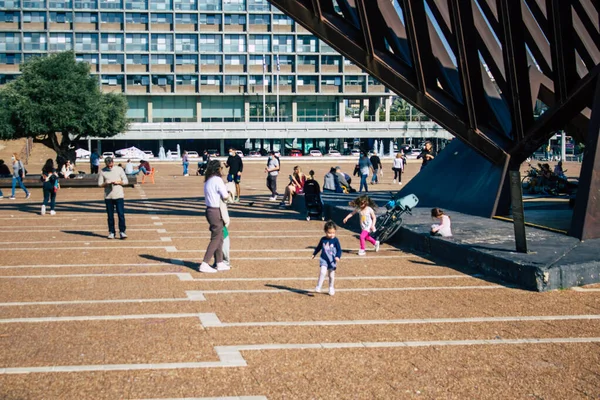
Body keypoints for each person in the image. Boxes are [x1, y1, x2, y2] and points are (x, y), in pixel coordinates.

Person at [198, 159, 231, 273]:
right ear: (218, 169)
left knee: (220, 236)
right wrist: (229, 192)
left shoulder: (208, 180)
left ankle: (219, 262)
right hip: (215, 210)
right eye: (221, 168)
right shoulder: (217, 180)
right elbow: (225, 196)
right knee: (216, 237)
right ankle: (205, 263)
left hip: (209, 210)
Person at [98, 157, 128, 240]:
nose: (110, 167)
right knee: (110, 216)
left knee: (121, 214)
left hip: (119, 195)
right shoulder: (103, 171)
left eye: (111, 165)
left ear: (113, 163)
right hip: (108, 196)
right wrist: (105, 183)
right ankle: (111, 232)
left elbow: (126, 181)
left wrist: (119, 182)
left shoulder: (119, 169)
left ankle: (122, 231)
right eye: (108, 166)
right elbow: (99, 184)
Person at [311, 220, 342, 296]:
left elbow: (339, 250)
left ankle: (331, 287)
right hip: (324, 259)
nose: (331, 235)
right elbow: (318, 247)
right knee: (322, 272)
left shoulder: (335, 240)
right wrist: (314, 254)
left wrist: (338, 256)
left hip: (332, 260)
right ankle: (318, 286)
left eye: (333, 233)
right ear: (325, 231)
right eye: (329, 233)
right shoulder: (323, 239)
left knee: (331, 275)